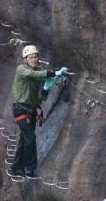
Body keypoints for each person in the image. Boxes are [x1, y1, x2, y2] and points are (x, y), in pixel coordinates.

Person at [11, 45, 67, 178]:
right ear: (26, 59)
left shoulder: (37, 74)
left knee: (24, 140)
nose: (34, 59)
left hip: (30, 110)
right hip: (20, 109)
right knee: (30, 138)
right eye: (31, 57)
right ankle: (29, 169)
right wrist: (54, 73)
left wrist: (46, 88)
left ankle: (16, 168)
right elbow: (33, 73)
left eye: (36, 57)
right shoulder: (22, 69)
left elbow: (39, 98)